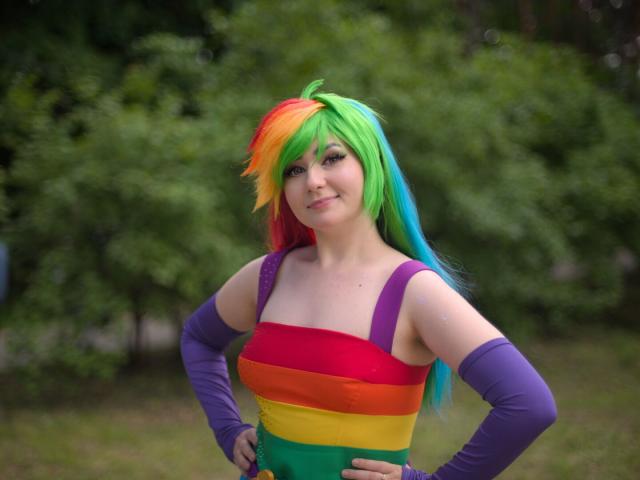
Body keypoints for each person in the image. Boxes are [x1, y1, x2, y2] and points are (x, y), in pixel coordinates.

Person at [181, 80, 557, 480]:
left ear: (370, 162)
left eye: (332, 158)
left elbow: (528, 405)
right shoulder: (266, 276)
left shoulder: (413, 291)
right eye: (294, 169)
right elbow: (198, 338)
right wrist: (227, 429)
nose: (312, 181)